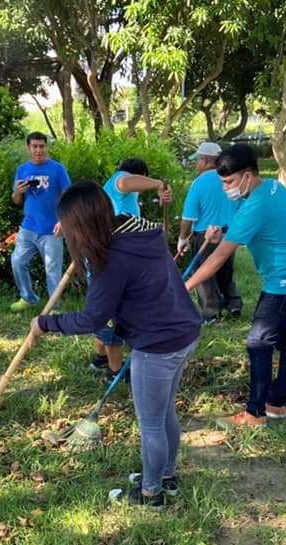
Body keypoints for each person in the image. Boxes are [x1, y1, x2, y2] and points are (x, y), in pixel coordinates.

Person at [31, 181, 200, 509]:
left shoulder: (111, 260)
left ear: (81, 225)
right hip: (184, 332)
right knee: (164, 413)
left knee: (151, 423)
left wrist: (45, 323)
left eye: (69, 226)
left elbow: (92, 319)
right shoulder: (137, 232)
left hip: (158, 344)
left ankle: (151, 495)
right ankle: (166, 477)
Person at [185, 144, 286, 428]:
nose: (225, 189)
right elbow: (245, 231)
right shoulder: (272, 187)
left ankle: (254, 413)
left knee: (259, 343)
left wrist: (182, 287)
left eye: (229, 182)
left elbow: (217, 260)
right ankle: (276, 404)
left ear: (248, 175)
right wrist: (223, 233)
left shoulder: (256, 205)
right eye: (222, 183)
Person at [91, 158, 174, 379]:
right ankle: (114, 370)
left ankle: (100, 358)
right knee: (113, 317)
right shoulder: (119, 181)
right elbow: (126, 182)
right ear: (141, 174)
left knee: (103, 313)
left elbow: (133, 221)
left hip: (117, 260)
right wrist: (158, 183)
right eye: (144, 177)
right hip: (112, 263)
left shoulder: (126, 198)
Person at [178, 142, 243, 323]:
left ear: (206, 160)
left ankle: (211, 312)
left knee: (204, 273)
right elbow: (241, 207)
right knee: (225, 270)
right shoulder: (230, 180)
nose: (196, 163)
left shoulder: (199, 184)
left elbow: (188, 217)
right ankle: (233, 304)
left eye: (197, 159)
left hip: (205, 235)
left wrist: (182, 238)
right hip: (229, 233)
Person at [10, 132, 72, 312]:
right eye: (35, 147)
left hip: (52, 228)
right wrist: (18, 192)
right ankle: (28, 298)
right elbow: (15, 200)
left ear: (47, 147)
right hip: (28, 227)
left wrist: (64, 221)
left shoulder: (58, 169)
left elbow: (68, 197)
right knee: (17, 261)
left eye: (42, 146)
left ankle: (54, 308)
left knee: (53, 271)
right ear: (28, 148)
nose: (39, 150)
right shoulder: (22, 170)